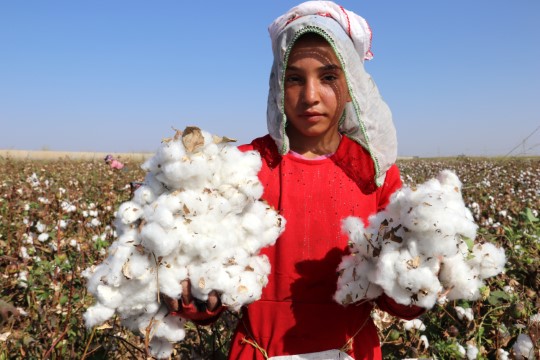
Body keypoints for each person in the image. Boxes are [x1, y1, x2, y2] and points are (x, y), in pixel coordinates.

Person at [164, 1, 424, 359]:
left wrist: (417, 284)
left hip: (352, 350)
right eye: (295, 79)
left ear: (352, 85)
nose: (311, 96)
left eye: (329, 77)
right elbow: (208, 286)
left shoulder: (376, 172)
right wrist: (193, 293)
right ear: (277, 85)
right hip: (259, 350)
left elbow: (403, 300)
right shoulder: (244, 167)